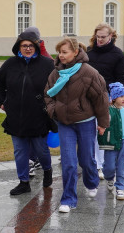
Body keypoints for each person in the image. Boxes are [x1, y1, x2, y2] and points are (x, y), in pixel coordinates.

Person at [44, 37, 109, 213]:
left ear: (75, 52)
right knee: (69, 162)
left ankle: (91, 181)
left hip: (86, 123)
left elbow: (101, 98)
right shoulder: (56, 73)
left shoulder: (89, 73)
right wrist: (53, 111)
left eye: (64, 52)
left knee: (86, 159)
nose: (61, 55)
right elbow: (48, 94)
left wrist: (103, 123)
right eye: (59, 52)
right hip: (65, 124)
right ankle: (68, 199)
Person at [0, 28, 55, 195]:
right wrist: (1, 102)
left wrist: (51, 106)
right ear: (18, 47)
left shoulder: (47, 64)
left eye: (31, 45)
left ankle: (47, 170)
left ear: (36, 46)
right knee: (20, 151)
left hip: (38, 116)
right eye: (24, 45)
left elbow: (57, 87)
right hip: (16, 117)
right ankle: (23, 181)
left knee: (41, 149)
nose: (27, 48)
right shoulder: (10, 64)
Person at [86, 23, 124, 177]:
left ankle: (104, 164)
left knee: (104, 132)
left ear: (111, 36)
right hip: (89, 97)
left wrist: (115, 97)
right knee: (91, 131)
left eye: (103, 37)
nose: (100, 39)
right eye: (98, 37)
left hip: (107, 99)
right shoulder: (89, 52)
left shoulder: (117, 54)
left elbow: (122, 79)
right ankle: (95, 163)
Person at [99, 83, 124, 200]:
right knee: (109, 167)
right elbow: (102, 125)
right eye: (121, 96)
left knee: (122, 165)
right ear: (114, 98)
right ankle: (109, 178)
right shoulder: (108, 111)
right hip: (111, 142)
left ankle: (120, 187)